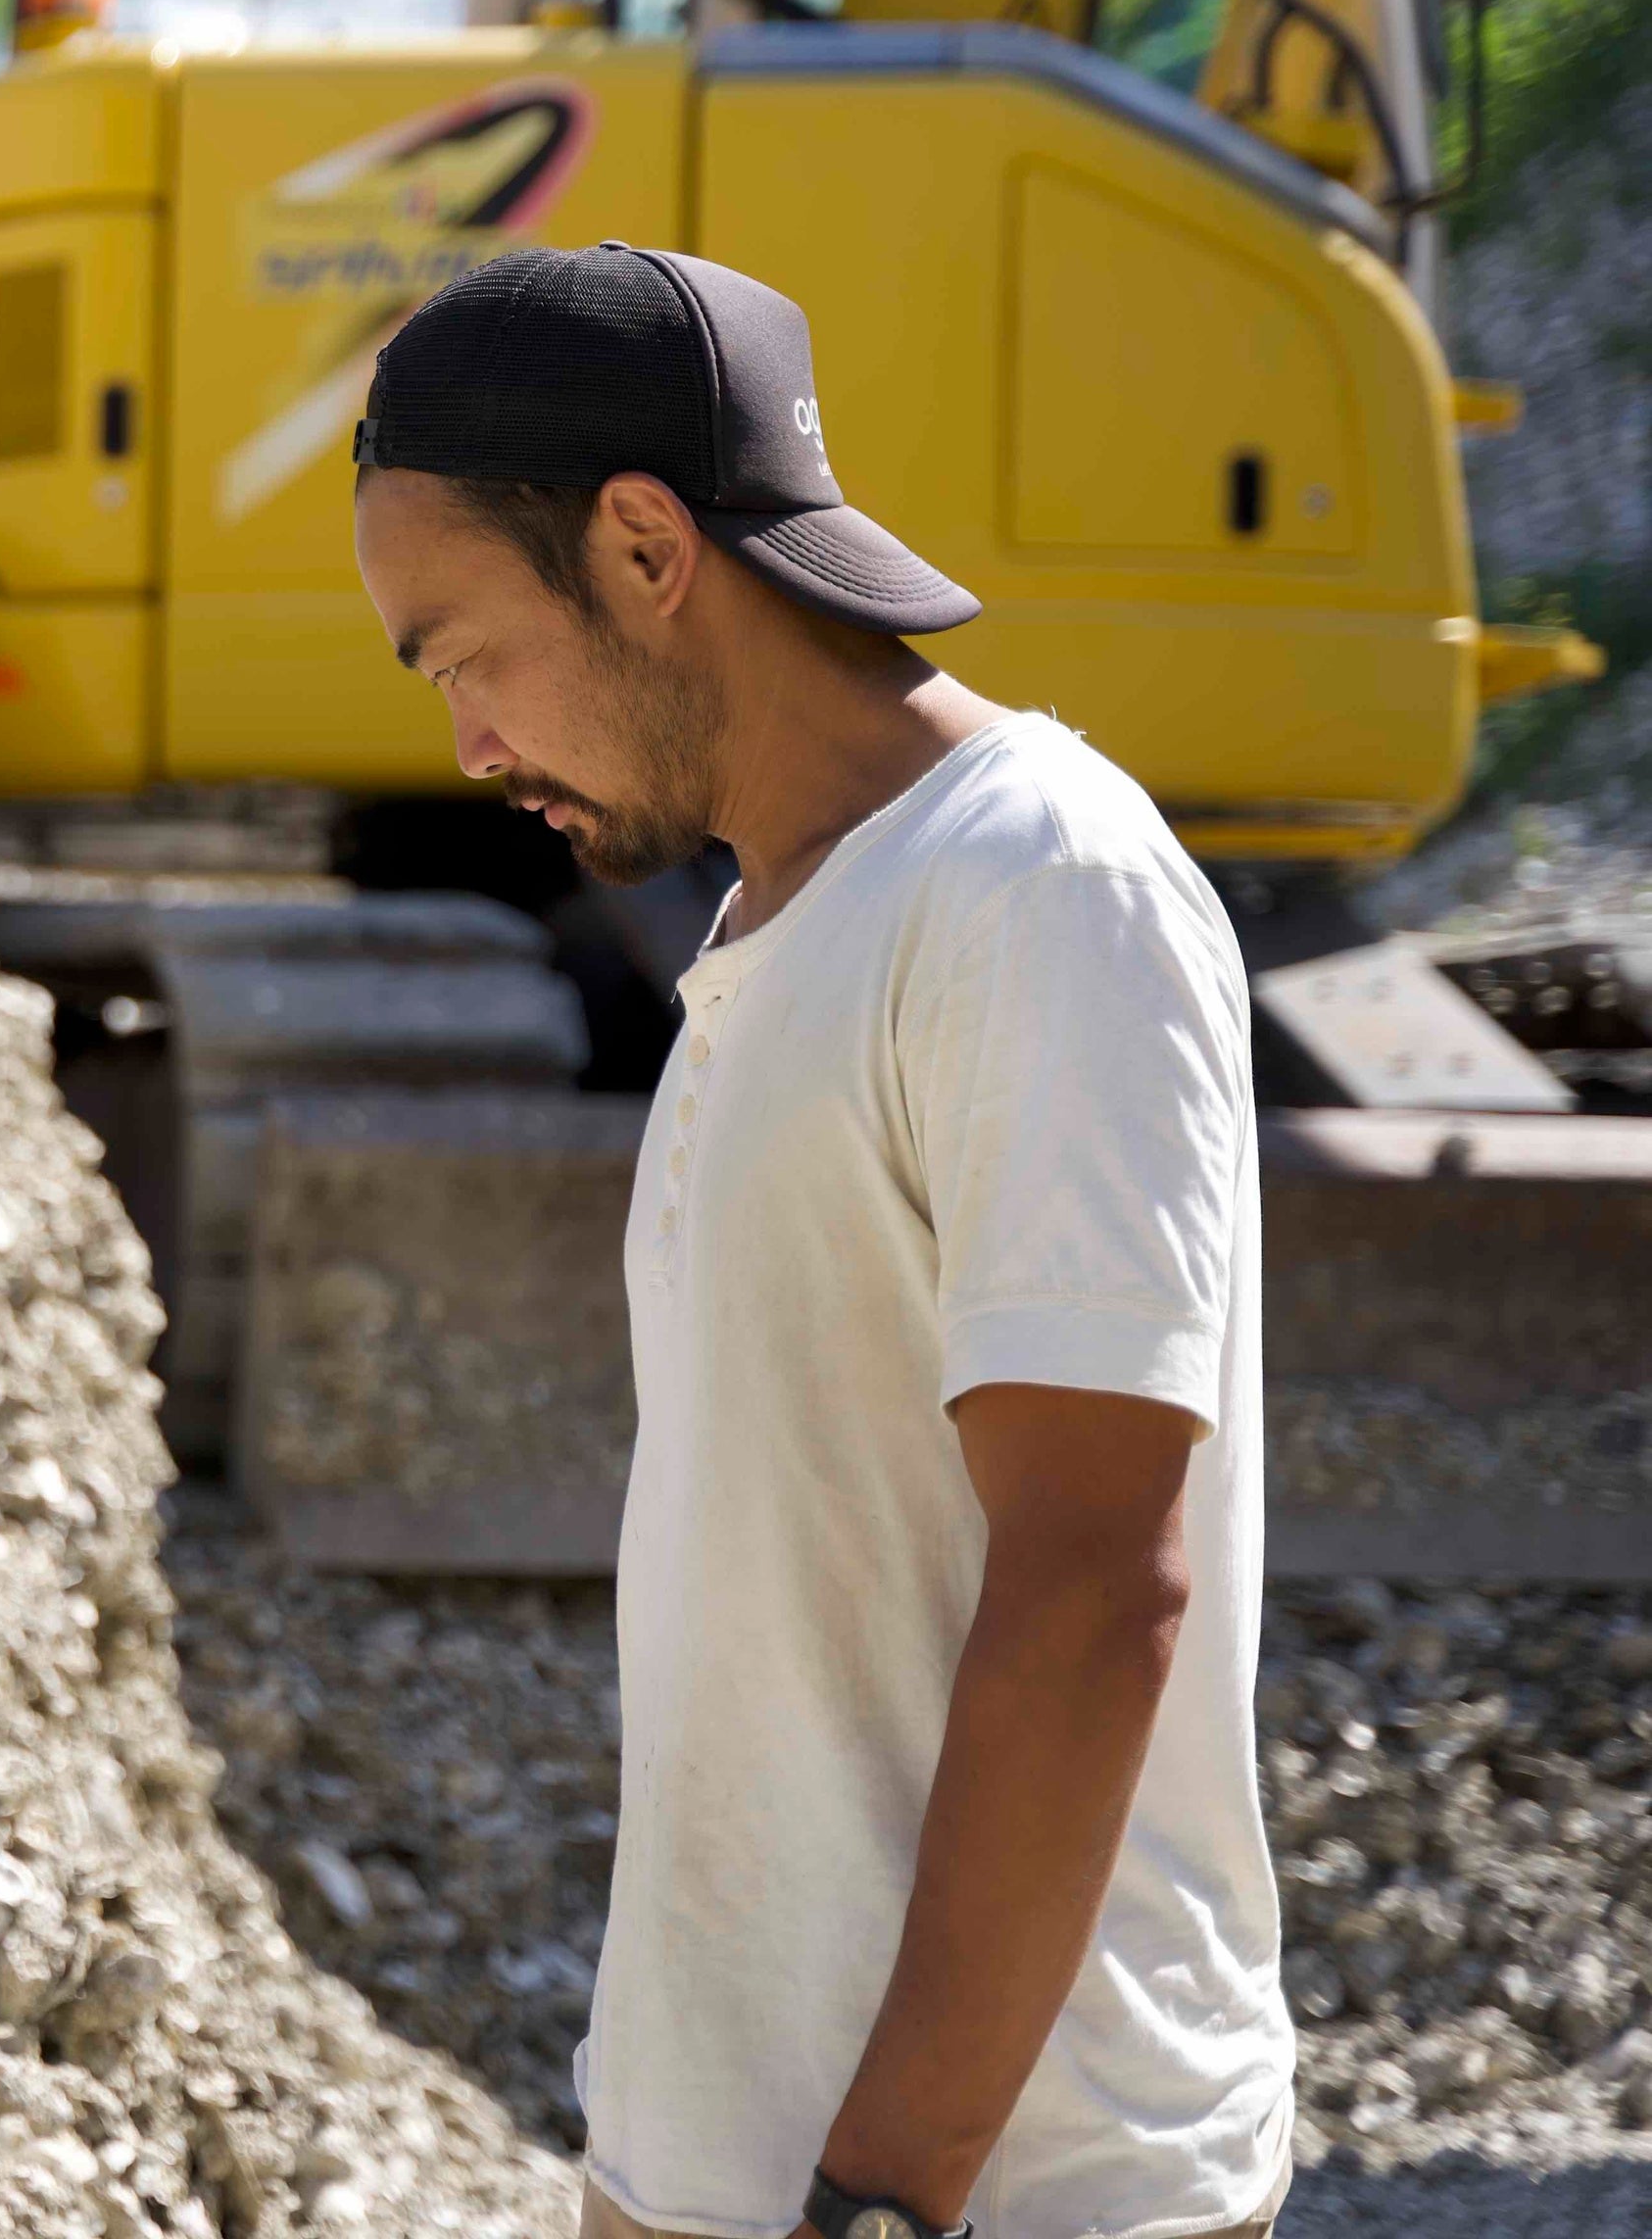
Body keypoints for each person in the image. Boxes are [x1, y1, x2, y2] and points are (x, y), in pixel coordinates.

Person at [345, 244, 1292, 2239]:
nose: (468, 748)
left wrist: (883, 2193)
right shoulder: (785, 921)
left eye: (458, 653)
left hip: (996, 2193)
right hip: (730, 2166)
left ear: (641, 546)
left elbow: (1096, 1586)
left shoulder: (1039, 889)